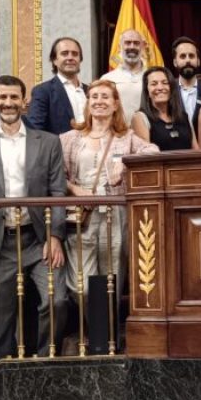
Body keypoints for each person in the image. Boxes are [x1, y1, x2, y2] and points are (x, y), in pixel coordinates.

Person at [0, 75, 68, 360]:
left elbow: (58, 192)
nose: (8, 103)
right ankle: (5, 374)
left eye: (14, 98)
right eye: (3, 98)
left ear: (24, 102)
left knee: (56, 300)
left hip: (38, 239)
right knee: (1, 320)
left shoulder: (47, 141)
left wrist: (55, 236)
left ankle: (45, 362)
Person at [59, 80, 159, 352]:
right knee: (79, 283)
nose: (100, 101)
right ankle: (97, 330)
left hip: (115, 215)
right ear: (87, 103)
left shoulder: (126, 137)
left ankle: (103, 341)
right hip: (81, 215)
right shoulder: (68, 138)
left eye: (106, 97)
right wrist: (75, 189)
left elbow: (152, 151)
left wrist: (123, 164)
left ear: (116, 104)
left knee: (111, 278)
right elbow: (58, 175)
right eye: (94, 97)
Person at [28, 37, 88, 134]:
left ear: (80, 60)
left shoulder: (90, 91)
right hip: (59, 148)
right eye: (64, 53)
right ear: (54, 60)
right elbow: (35, 131)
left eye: (75, 54)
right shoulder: (43, 91)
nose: (70, 57)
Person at [131, 67, 198, 151]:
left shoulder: (184, 116)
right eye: (154, 84)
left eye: (165, 83)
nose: (160, 87)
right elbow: (145, 158)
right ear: (146, 91)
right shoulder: (140, 118)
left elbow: (196, 152)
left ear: (171, 88)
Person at [102, 29, 150, 120]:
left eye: (136, 43)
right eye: (127, 43)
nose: (132, 47)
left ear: (143, 46)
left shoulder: (152, 78)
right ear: (120, 46)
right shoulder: (107, 79)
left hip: (150, 133)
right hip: (118, 132)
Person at [171, 36, 201, 132]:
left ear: (198, 61)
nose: (188, 60)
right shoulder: (168, 91)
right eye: (182, 56)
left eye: (191, 56)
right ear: (175, 62)